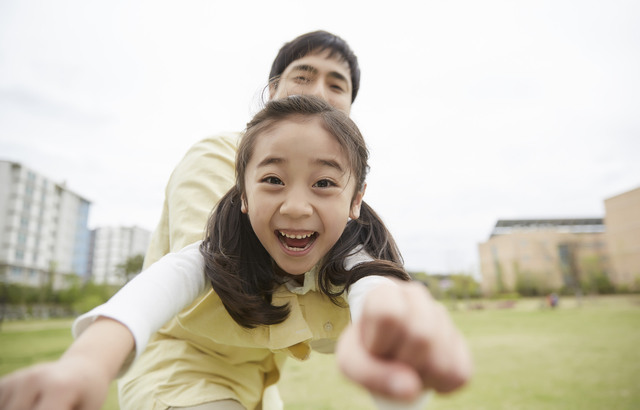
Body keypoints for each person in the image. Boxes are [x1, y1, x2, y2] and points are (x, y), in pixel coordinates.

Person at [0, 33, 472, 410]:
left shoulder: (347, 212)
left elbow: (369, 280)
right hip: (181, 367)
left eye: (336, 84)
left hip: (259, 383)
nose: (295, 205)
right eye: (303, 76)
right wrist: (87, 363)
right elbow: (205, 272)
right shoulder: (217, 158)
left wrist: (384, 320)